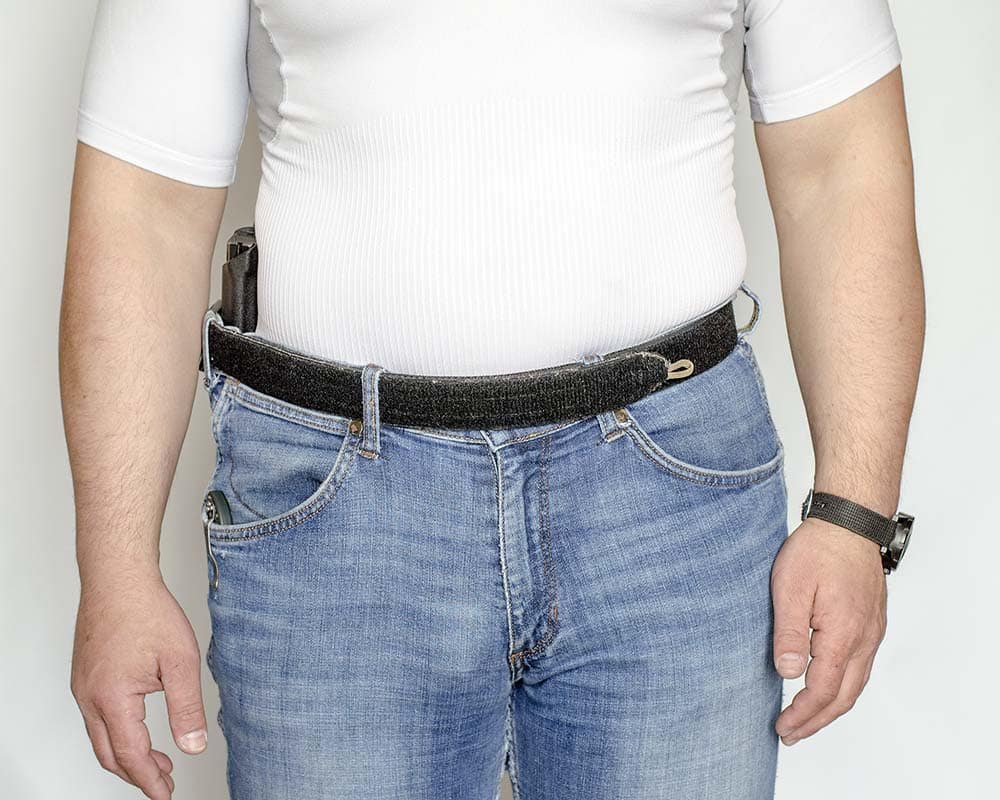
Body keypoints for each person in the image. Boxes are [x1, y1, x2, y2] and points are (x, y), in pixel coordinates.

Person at [61, 1, 924, 798]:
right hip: (339, 519)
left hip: (670, 501)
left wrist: (856, 514)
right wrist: (115, 571)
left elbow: (840, 161)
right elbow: (145, 203)